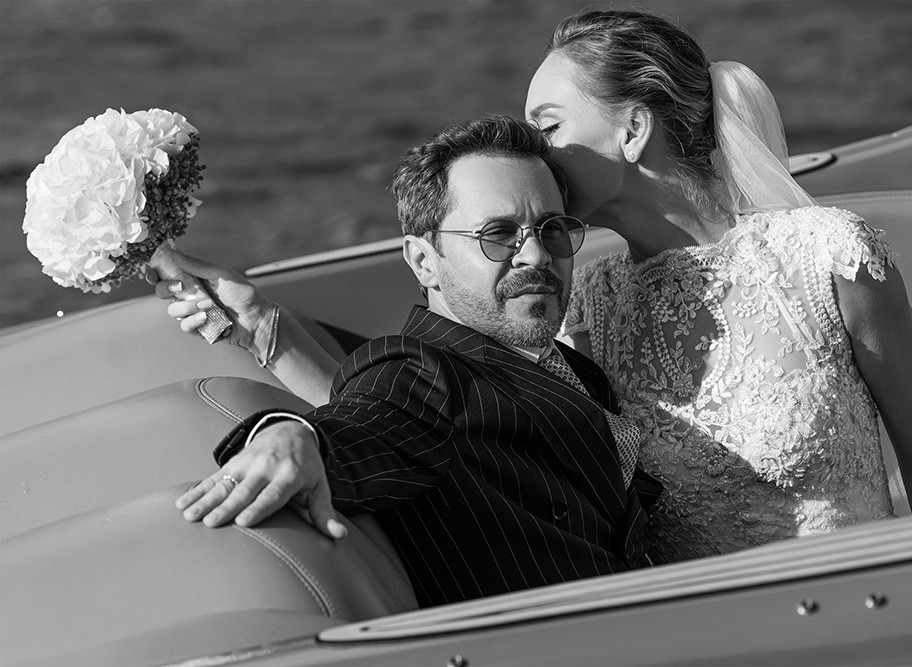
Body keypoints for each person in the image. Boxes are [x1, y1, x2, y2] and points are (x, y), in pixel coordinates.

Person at [522, 9, 912, 562]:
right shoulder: (590, 305)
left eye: (548, 129)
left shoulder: (827, 257)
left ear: (633, 130)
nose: (533, 156)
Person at [168, 115, 658, 608]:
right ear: (424, 261)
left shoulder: (569, 366)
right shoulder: (419, 375)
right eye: (498, 234)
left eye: (552, 229)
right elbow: (372, 416)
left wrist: (263, 329)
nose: (536, 255)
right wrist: (292, 437)